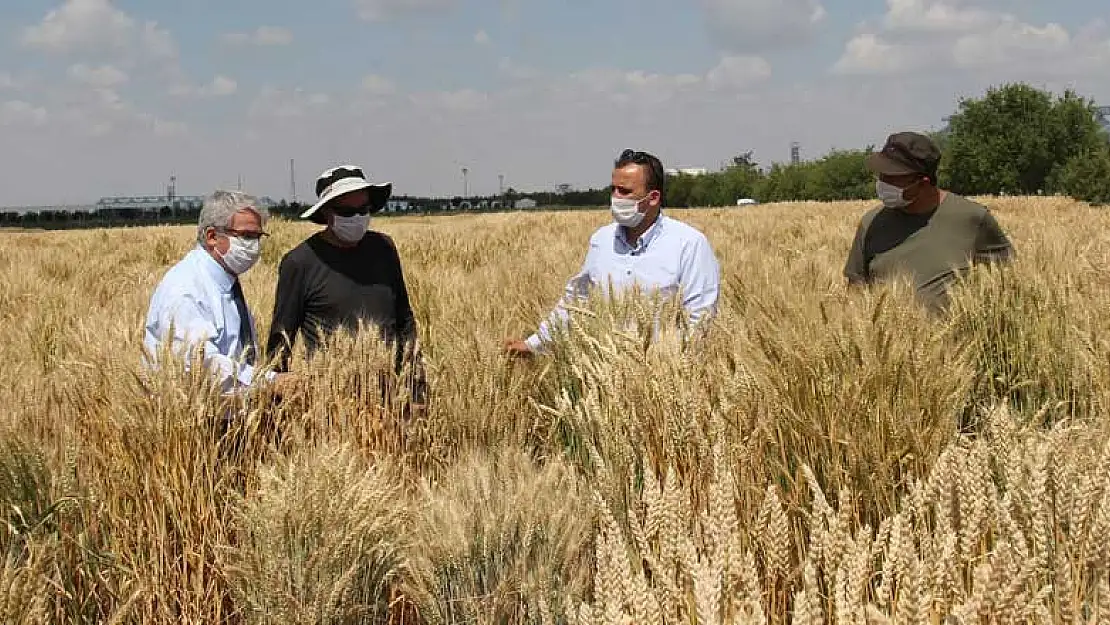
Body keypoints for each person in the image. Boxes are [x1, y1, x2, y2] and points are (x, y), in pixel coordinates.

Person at [503, 149, 721, 357]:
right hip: (607, 373)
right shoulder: (601, 240)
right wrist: (535, 343)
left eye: (625, 191)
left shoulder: (689, 244)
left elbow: (699, 320)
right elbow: (576, 301)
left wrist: (671, 371)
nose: (616, 197)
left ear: (653, 198)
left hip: (664, 376)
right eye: (614, 189)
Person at [265, 164, 426, 409]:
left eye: (364, 209)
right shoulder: (300, 262)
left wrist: (416, 387)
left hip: (391, 396)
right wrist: (278, 404)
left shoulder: (384, 248)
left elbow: (404, 320)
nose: (358, 217)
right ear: (327, 213)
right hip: (332, 402)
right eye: (347, 211)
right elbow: (281, 341)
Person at [143, 190, 293, 396]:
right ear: (212, 236)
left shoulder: (225, 282)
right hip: (196, 420)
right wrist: (270, 382)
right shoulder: (187, 289)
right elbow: (200, 363)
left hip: (230, 413)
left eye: (258, 237)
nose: (254, 246)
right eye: (246, 236)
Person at [844, 131, 1014, 310]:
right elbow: (855, 291)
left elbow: (1008, 279)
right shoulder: (870, 223)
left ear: (924, 182)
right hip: (889, 335)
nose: (883, 183)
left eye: (893, 178)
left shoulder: (972, 218)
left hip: (954, 336)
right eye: (881, 175)